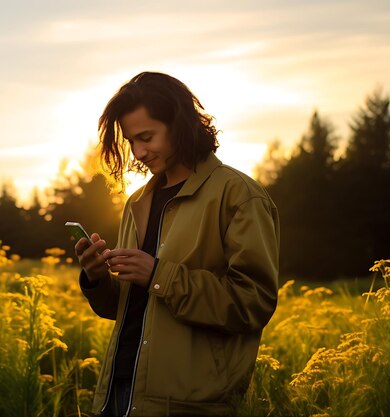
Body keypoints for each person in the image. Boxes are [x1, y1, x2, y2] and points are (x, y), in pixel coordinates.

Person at [74, 72, 279, 417]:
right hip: (117, 394)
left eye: (147, 137)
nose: (138, 152)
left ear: (180, 124)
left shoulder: (238, 196)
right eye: (131, 141)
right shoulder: (137, 202)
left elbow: (252, 303)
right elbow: (127, 308)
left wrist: (158, 274)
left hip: (188, 404)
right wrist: (96, 278)